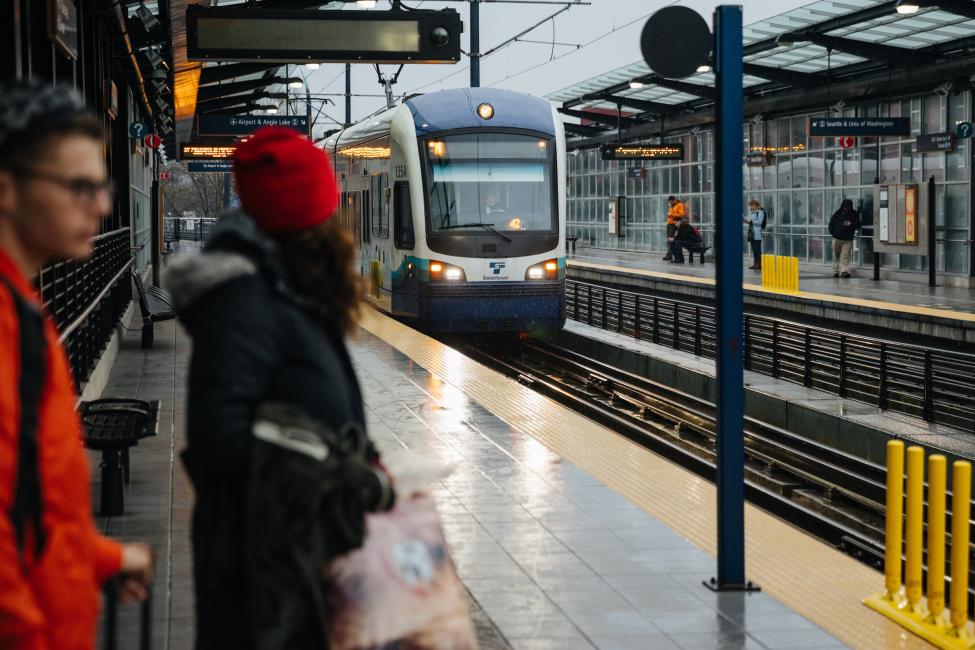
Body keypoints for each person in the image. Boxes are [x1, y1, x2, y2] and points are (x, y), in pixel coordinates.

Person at [163, 127, 394, 650]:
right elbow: (220, 439)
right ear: (309, 219)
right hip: (267, 564)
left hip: (295, 549)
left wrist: (358, 461)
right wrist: (336, 475)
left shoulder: (285, 288)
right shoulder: (246, 299)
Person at [0, 79, 153, 649]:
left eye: (103, 186)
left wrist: (103, 557)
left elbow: (31, 512)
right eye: (78, 187)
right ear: (8, 190)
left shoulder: (24, 311)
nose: (103, 206)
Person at [828, 198, 861, 278]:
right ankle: (835, 271)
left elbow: (858, 225)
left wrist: (850, 224)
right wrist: (833, 232)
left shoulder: (854, 214)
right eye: (845, 207)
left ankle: (844, 271)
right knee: (836, 255)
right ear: (842, 206)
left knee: (845, 256)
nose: (846, 208)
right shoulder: (838, 213)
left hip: (847, 239)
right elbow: (831, 224)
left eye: (848, 207)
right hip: (836, 238)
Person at [744, 199, 766, 270]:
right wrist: (745, 220)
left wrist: (751, 221)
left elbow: (759, 222)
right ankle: (755, 263)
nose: (750, 207)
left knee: (757, 249)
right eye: (750, 206)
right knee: (754, 249)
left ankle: (759, 264)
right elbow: (750, 222)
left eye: (751, 205)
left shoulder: (760, 212)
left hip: (757, 233)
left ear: (755, 205)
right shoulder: (752, 212)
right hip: (751, 233)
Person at [662, 195, 686, 261]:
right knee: (668, 239)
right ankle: (669, 254)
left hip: (673, 224)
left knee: (671, 239)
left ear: (674, 200)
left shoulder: (679, 205)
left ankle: (669, 255)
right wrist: (669, 214)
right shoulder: (671, 205)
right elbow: (670, 213)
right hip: (669, 223)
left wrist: (671, 215)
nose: (670, 203)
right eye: (669, 202)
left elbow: (681, 214)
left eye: (671, 202)